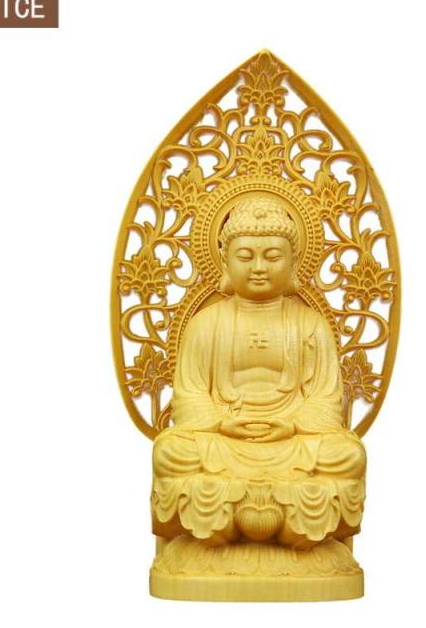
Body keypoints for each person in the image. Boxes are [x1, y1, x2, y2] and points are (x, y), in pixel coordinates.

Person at [152, 195, 366, 548]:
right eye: (245, 256)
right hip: (224, 440)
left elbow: (325, 398)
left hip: (291, 441)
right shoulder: (205, 325)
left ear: (293, 261)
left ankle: (233, 524)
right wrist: (221, 424)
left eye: (272, 256)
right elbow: (189, 396)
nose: (259, 267)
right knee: (171, 451)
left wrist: (292, 425)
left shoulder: (311, 325)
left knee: (346, 455)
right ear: (225, 260)